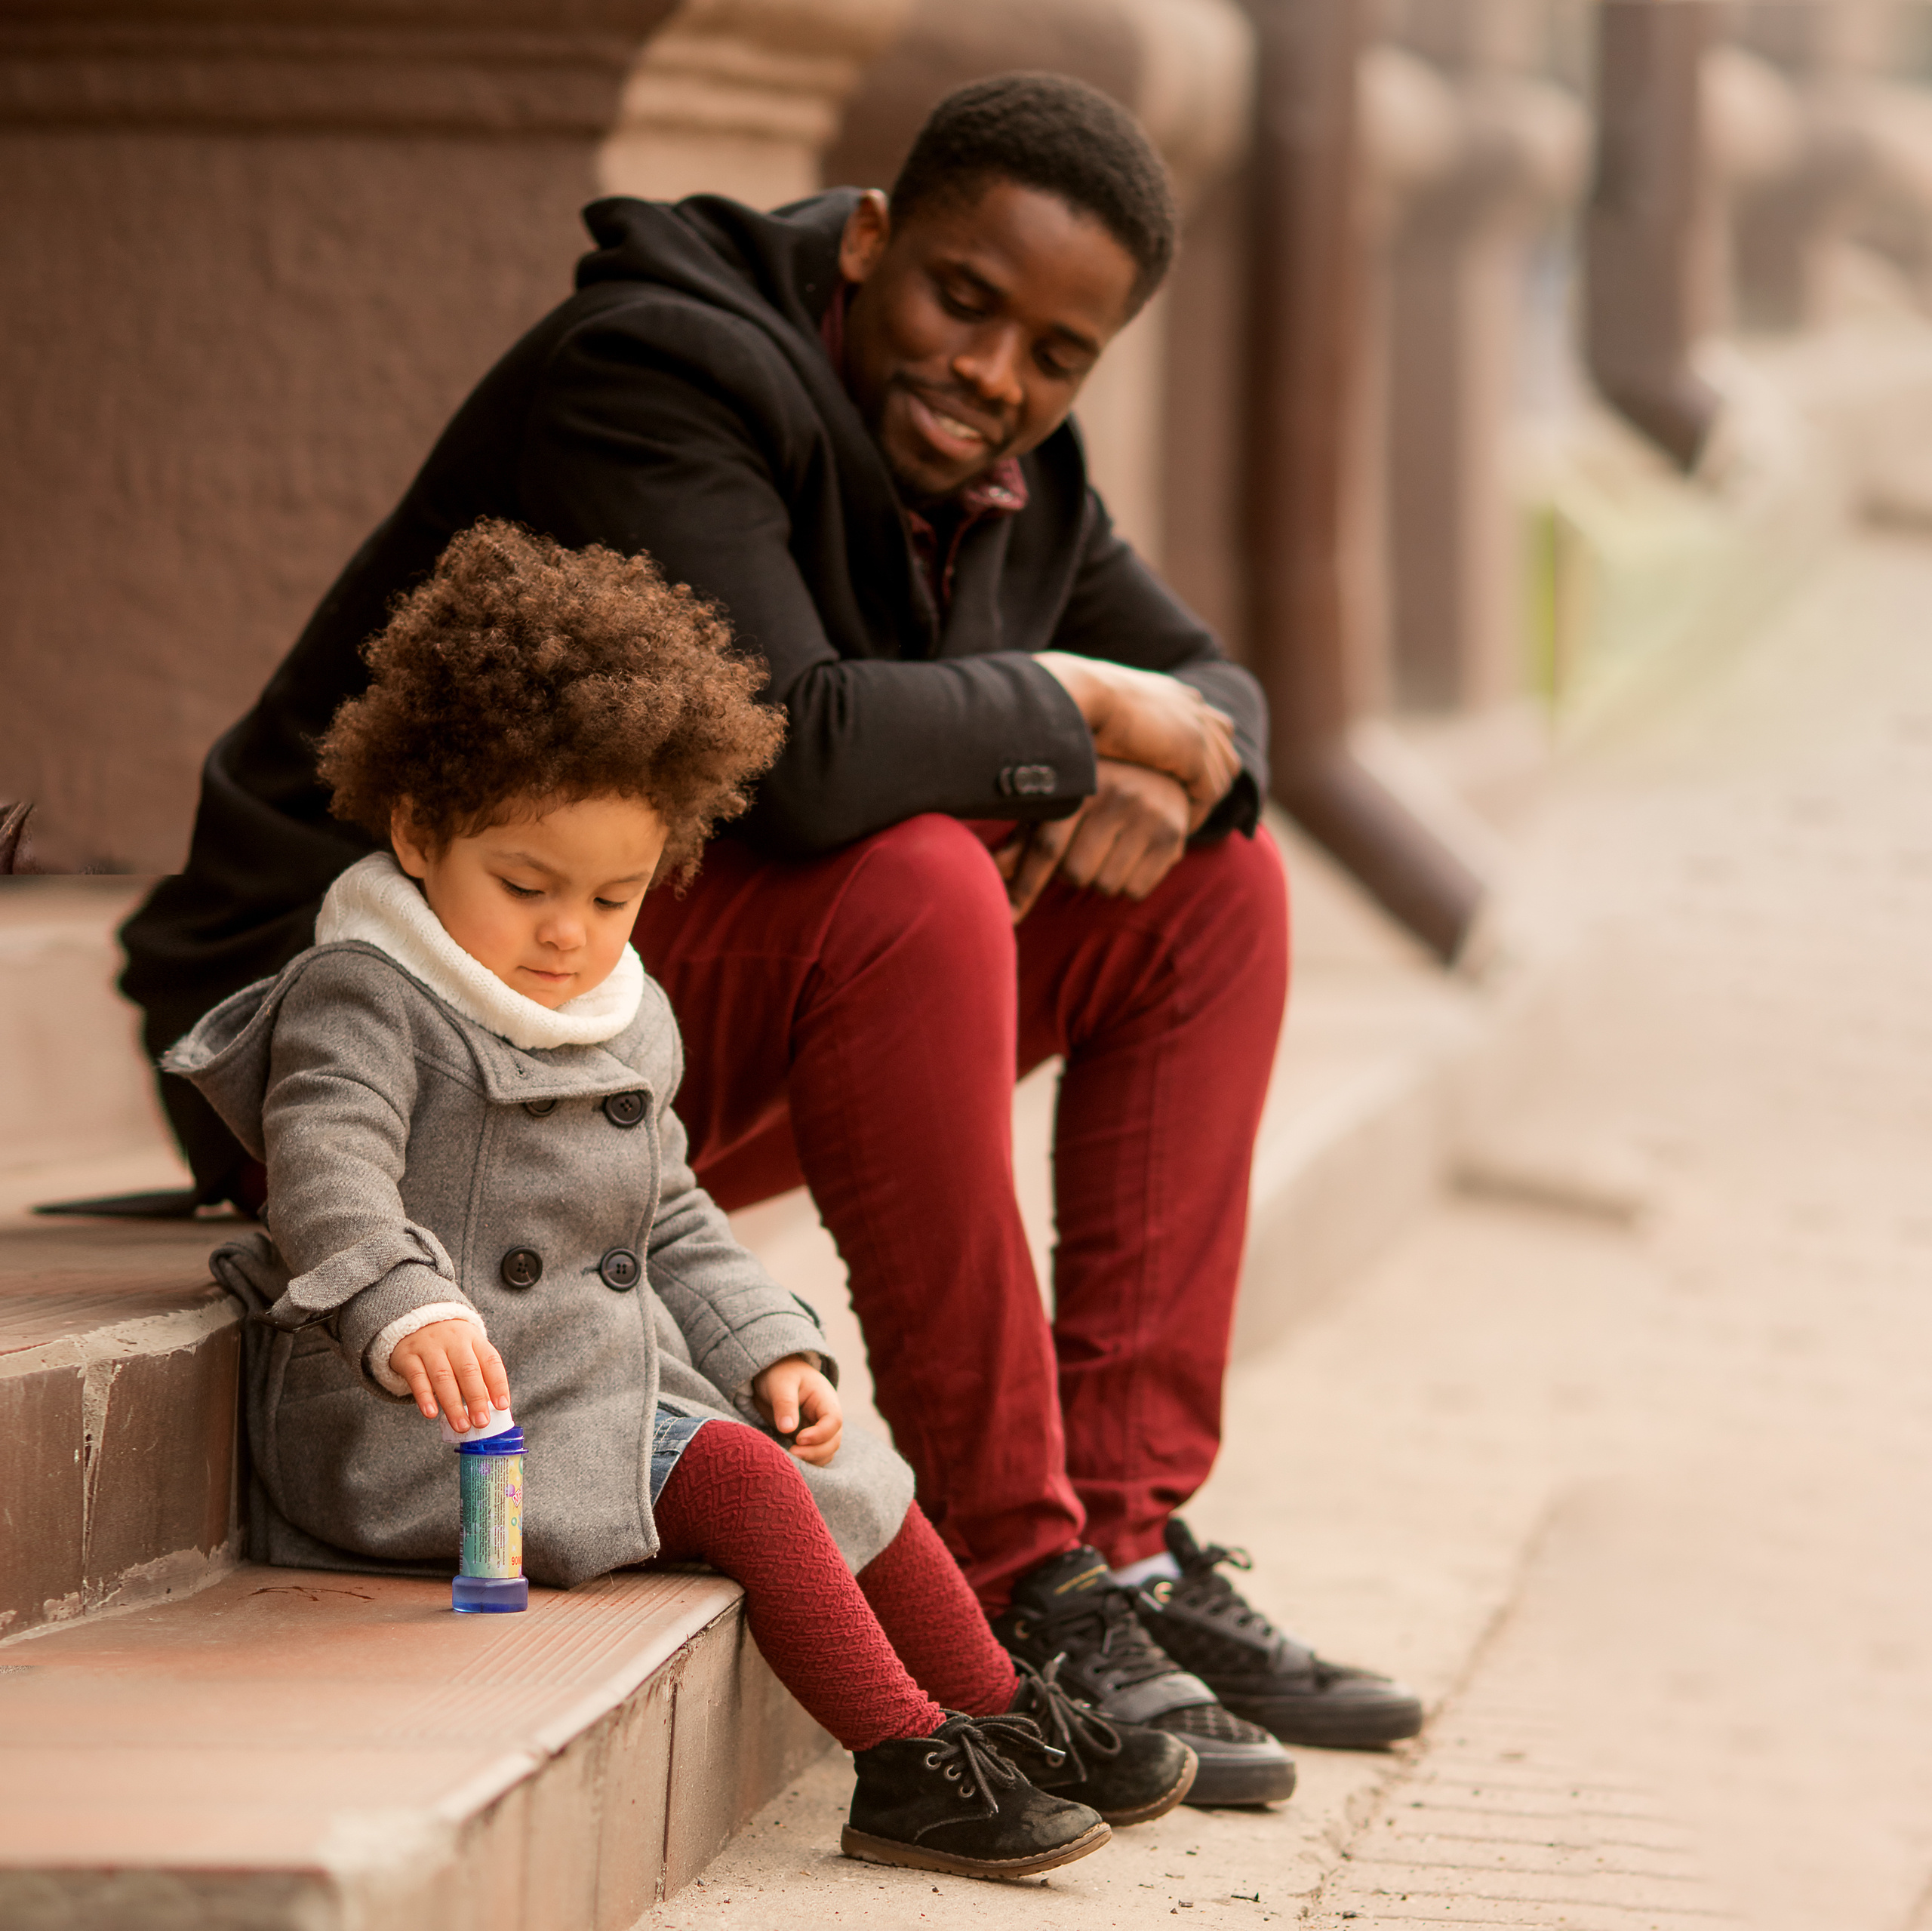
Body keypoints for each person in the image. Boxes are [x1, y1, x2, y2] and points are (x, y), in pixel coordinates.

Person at [122, 74, 1421, 1803]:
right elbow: (801, 755)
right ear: (870, 240)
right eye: (965, 302)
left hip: (603, 1044)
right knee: (916, 880)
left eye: (1054, 353)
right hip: (387, 1041)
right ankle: (1013, 1562)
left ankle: (1116, 1544)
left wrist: (1170, 773)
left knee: (1210, 892)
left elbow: (1220, 697)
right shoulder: (661, 371)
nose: (994, 376)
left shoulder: (1016, 464)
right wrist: (1081, 707)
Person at [161, 521, 1200, 1877]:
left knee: (858, 1475)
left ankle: (1006, 1712)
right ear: (418, 832)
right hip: (426, 1425)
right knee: (747, 1485)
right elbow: (326, 1165)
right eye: (525, 886)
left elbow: (671, 1212)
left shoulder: (619, 1014)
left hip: (592, 1384)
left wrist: (767, 1341)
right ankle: (899, 1764)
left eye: (616, 894)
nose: (567, 933)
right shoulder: (368, 990)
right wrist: (399, 1301)